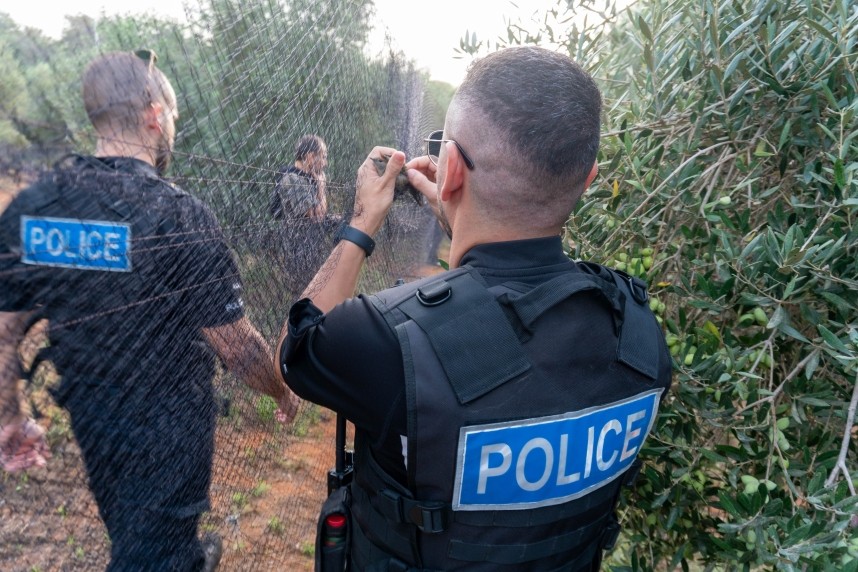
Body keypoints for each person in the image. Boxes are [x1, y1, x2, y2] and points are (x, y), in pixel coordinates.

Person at [276, 46, 672, 571]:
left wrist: (363, 221)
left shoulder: (390, 342)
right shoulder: (639, 337)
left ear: (453, 167)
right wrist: (460, 209)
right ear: (588, 178)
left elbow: (296, 347)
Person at [0, 50, 299, 572]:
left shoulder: (38, 207)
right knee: (151, 556)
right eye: (175, 116)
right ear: (154, 115)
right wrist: (282, 388)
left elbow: (5, 332)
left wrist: (10, 416)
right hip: (168, 431)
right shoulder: (177, 214)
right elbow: (238, 347)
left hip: (92, 419)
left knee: (136, 539)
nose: (174, 127)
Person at [269, 134, 339, 300]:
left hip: (311, 249)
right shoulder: (292, 179)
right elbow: (317, 215)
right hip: (299, 255)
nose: (325, 163)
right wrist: (322, 187)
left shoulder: (307, 179)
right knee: (306, 300)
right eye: (323, 156)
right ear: (310, 156)